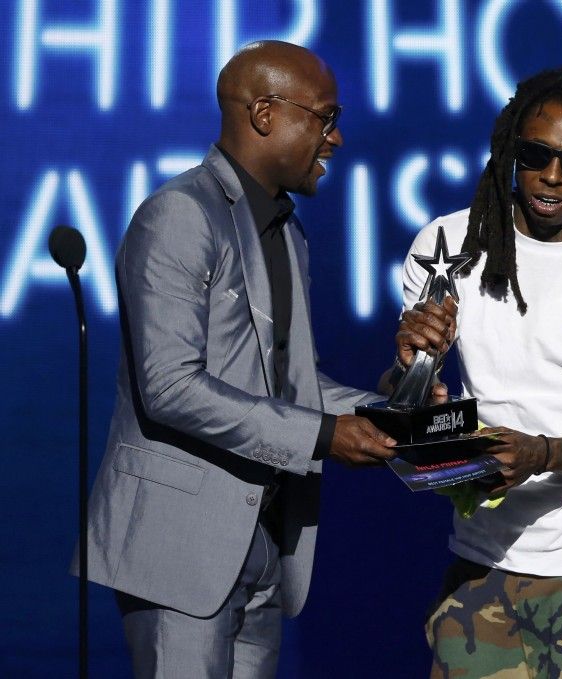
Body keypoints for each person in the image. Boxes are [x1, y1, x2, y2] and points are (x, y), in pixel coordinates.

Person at [72, 41, 397, 677]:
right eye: (324, 118)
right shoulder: (180, 216)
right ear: (266, 113)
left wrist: (389, 416)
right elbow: (169, 386)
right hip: (181, 547)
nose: (335, 139)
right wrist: (325, 435)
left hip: (266, 543)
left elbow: (287, 384)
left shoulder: (288, 231)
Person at [385, 55, 562, 678]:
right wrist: (411, 374)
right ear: (508, 148)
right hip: (482, 565)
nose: (551, 177)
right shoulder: (447, 247)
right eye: (533, 155)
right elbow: (406, 423)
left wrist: (545, 455)